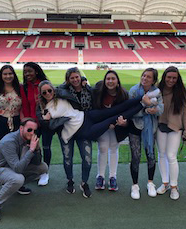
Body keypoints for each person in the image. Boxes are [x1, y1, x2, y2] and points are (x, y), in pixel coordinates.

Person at [38, 80, 145, 198]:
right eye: (44, 92)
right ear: (41, 94)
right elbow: (48, 126)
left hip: (86, 116)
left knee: (114, 110)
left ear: (53, 89)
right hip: (83, 131)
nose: (48, 93)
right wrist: (46, 120)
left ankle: (143, 98)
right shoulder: (44, 110)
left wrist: (83, 79)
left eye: (50, 90)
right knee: (113, 118)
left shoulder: (61, 94)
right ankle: (142, 105)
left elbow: (70, 81)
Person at [0, 119, 49, 223]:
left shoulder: (28, 139)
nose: (32, 133)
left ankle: (17, 187)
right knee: (18, 178)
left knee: (43, 167)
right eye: (29, 130)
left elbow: (37, 162)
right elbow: (18, 169)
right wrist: (30, 150)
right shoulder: (9, 141)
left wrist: (36, 149)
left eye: (34, 131)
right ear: (21, 128)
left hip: (10, 168)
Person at [153, 67, 186, 200]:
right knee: (161, 154)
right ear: (164, 77)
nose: (171, 80)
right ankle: (165, 183)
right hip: (160, 126)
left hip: (176, 128)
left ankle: (174, 186)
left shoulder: (182, 93)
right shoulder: (157, 90)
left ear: (177, 79)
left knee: (171, 156)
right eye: (169, 77)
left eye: (174, 78)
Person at [55, 67, 96, 197]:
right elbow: (54, 91)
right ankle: (70, 180)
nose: (75, 80)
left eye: (77, 77)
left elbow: (96, 97)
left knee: (87, 158)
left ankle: (84, 182)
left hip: (84, 129)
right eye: (72, 78)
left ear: (80, 77)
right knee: (67, 158)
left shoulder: (88, 90)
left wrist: (86, 83)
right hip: (67, 129)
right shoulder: (63, 90)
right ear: (68, 79)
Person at [127, 68, 163, 199]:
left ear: (153, 80)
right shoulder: (134, 91)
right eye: (143, 75)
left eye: (148, 77)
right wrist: (146, 110)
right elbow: (130, 111)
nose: (145, 78)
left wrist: (155, 110)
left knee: (150, 155)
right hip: (135, 127)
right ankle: (135, 185)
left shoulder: (157, 92)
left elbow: (161, 108)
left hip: (151, 128)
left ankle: (150, 183)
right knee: (136, 156)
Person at [92, 70, 131, 192]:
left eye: (113, 78)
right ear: (104, 81)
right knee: (102, 148)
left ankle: (113, 176)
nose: (110, 81)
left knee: (114, 148)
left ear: (117, 81)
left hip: (117, 127)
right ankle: (100, 176)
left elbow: (127, 112)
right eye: (108, 79)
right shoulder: (99, 92)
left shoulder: (123, 94)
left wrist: (122, 122)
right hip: (103, 126)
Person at [20, 62, 53, 186]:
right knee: (33, 149)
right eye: (25, 71)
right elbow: (25, 105)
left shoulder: (45, 84)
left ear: (36, 71)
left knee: (46, 147)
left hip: (46, 122)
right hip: (33, 124)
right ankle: (35, 171)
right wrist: (27, 123)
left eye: (29, 71)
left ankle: (45, 172)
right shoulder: (25, 87)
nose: (27, 74)